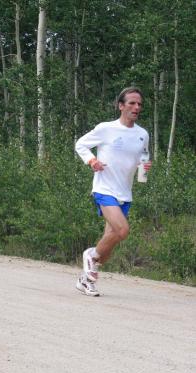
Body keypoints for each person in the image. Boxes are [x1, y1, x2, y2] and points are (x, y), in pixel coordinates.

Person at [75, 87, 152, 296]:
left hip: (125, 192)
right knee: (123, 230)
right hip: (104, 188)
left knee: (106, 251)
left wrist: (143, 167)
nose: (136, 107)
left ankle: (86, 280)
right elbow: (80, 144)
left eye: (139, 104)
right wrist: (91, 161)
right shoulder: (106, 128)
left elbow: (141, 158)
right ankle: (89, 255)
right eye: (132, 103)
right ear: (121, 106)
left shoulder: (142, 134)